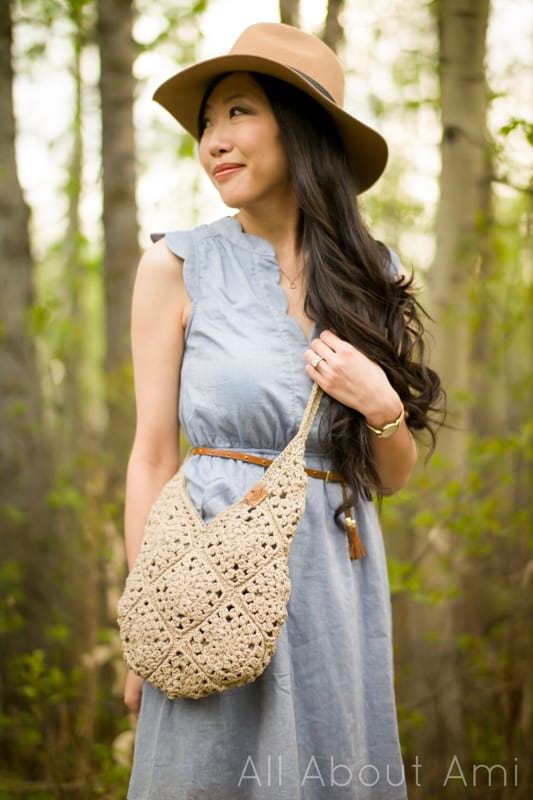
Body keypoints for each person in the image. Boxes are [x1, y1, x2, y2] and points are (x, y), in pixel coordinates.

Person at [122, 21, 443, 800]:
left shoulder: (376, 276)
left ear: (300, 127)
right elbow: (153, 456)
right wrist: (149, 612)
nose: (213, 142)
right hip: (209, 585)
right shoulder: (175, 265)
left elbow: (390, 477)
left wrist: (380, 405)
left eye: (237, 112)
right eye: (206, 125)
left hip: (336, 586)